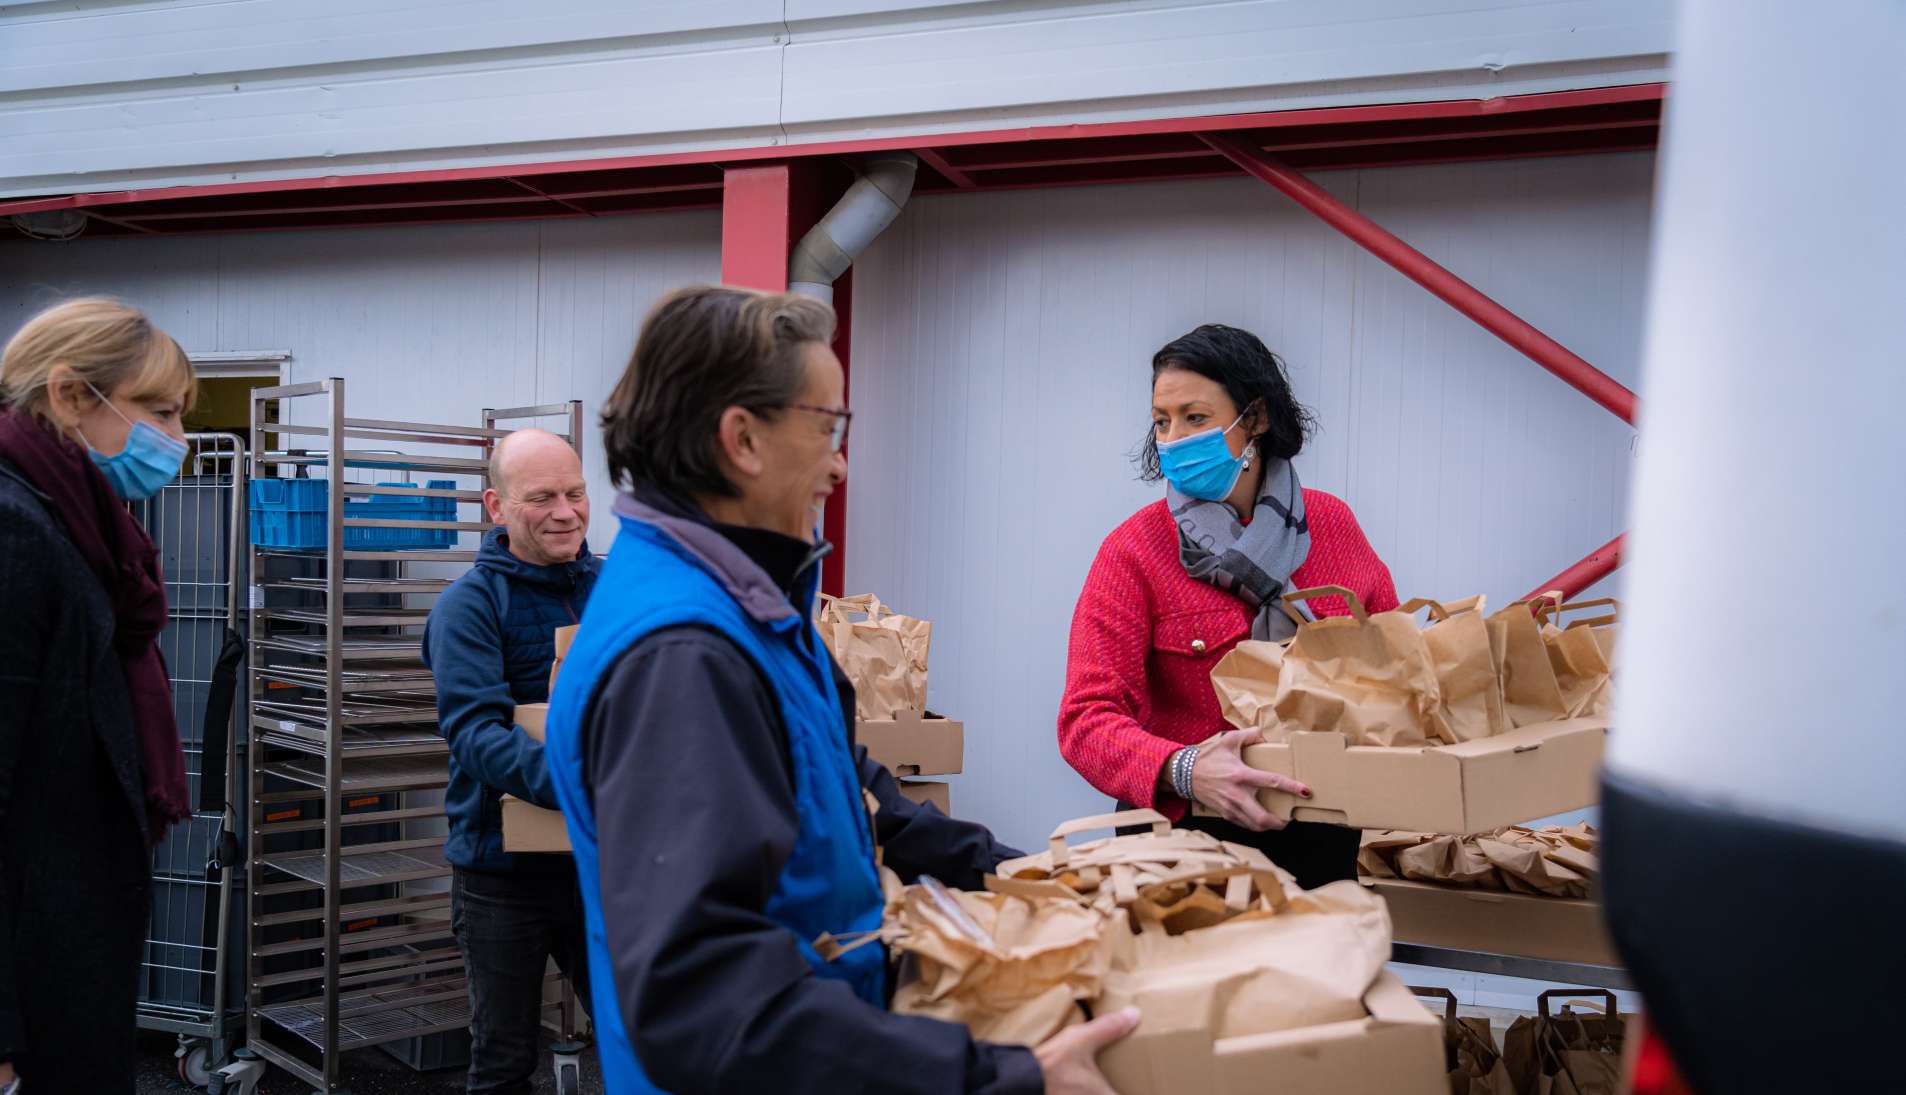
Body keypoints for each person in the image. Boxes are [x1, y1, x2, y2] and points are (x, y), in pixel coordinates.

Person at [540, 285, 1139, 1095]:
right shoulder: (684, 656)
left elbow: (857, 794)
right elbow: (703, 999)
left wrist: (1036, 874)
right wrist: (996, 1077)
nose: (840, 460)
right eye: (828, 426)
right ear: (742, 439)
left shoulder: (751, 610)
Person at [1058, 323, 1400, 890]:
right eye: (1162, 422)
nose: (1174, 439)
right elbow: (1084, 723)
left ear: (1257, 419)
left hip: (1324, 846)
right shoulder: (1136, 550)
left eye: (1195, 418)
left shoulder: (1333, 527)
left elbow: (1395, 676)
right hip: (1181, 856)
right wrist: (1186, 769)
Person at [0, 298, 197, 1093]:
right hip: (36, 984)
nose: (175, 442)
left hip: (62, 958)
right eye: (158, 411)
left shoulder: (69, 521)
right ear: (71, 394)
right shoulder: (17, 532)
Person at [422, 428, 600, 1095]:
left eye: (576, 492)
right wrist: (582, 788)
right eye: (542, 497)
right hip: (502, 873)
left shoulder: (610, 591)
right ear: (496, 507)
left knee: (639, 1035)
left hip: (599, 860)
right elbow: (476, 732)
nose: (565, 511)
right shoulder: (468, 606)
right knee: (503, 1061)